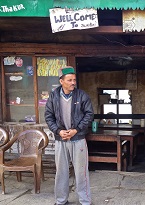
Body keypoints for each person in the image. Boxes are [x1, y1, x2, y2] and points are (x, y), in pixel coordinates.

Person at [45, 66, 94, 205]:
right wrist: (58, 131)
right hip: (61, 139)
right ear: (61, 81)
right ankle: (61, 201)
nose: (73, 82)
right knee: (61, 172)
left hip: (78, 139)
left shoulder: (81, 95)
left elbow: (89, 114)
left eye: (74, 80)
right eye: (69, 80)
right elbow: (49, 116)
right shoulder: (53, 96)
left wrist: (76, 130)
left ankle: (85, 201)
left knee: (81, 172)